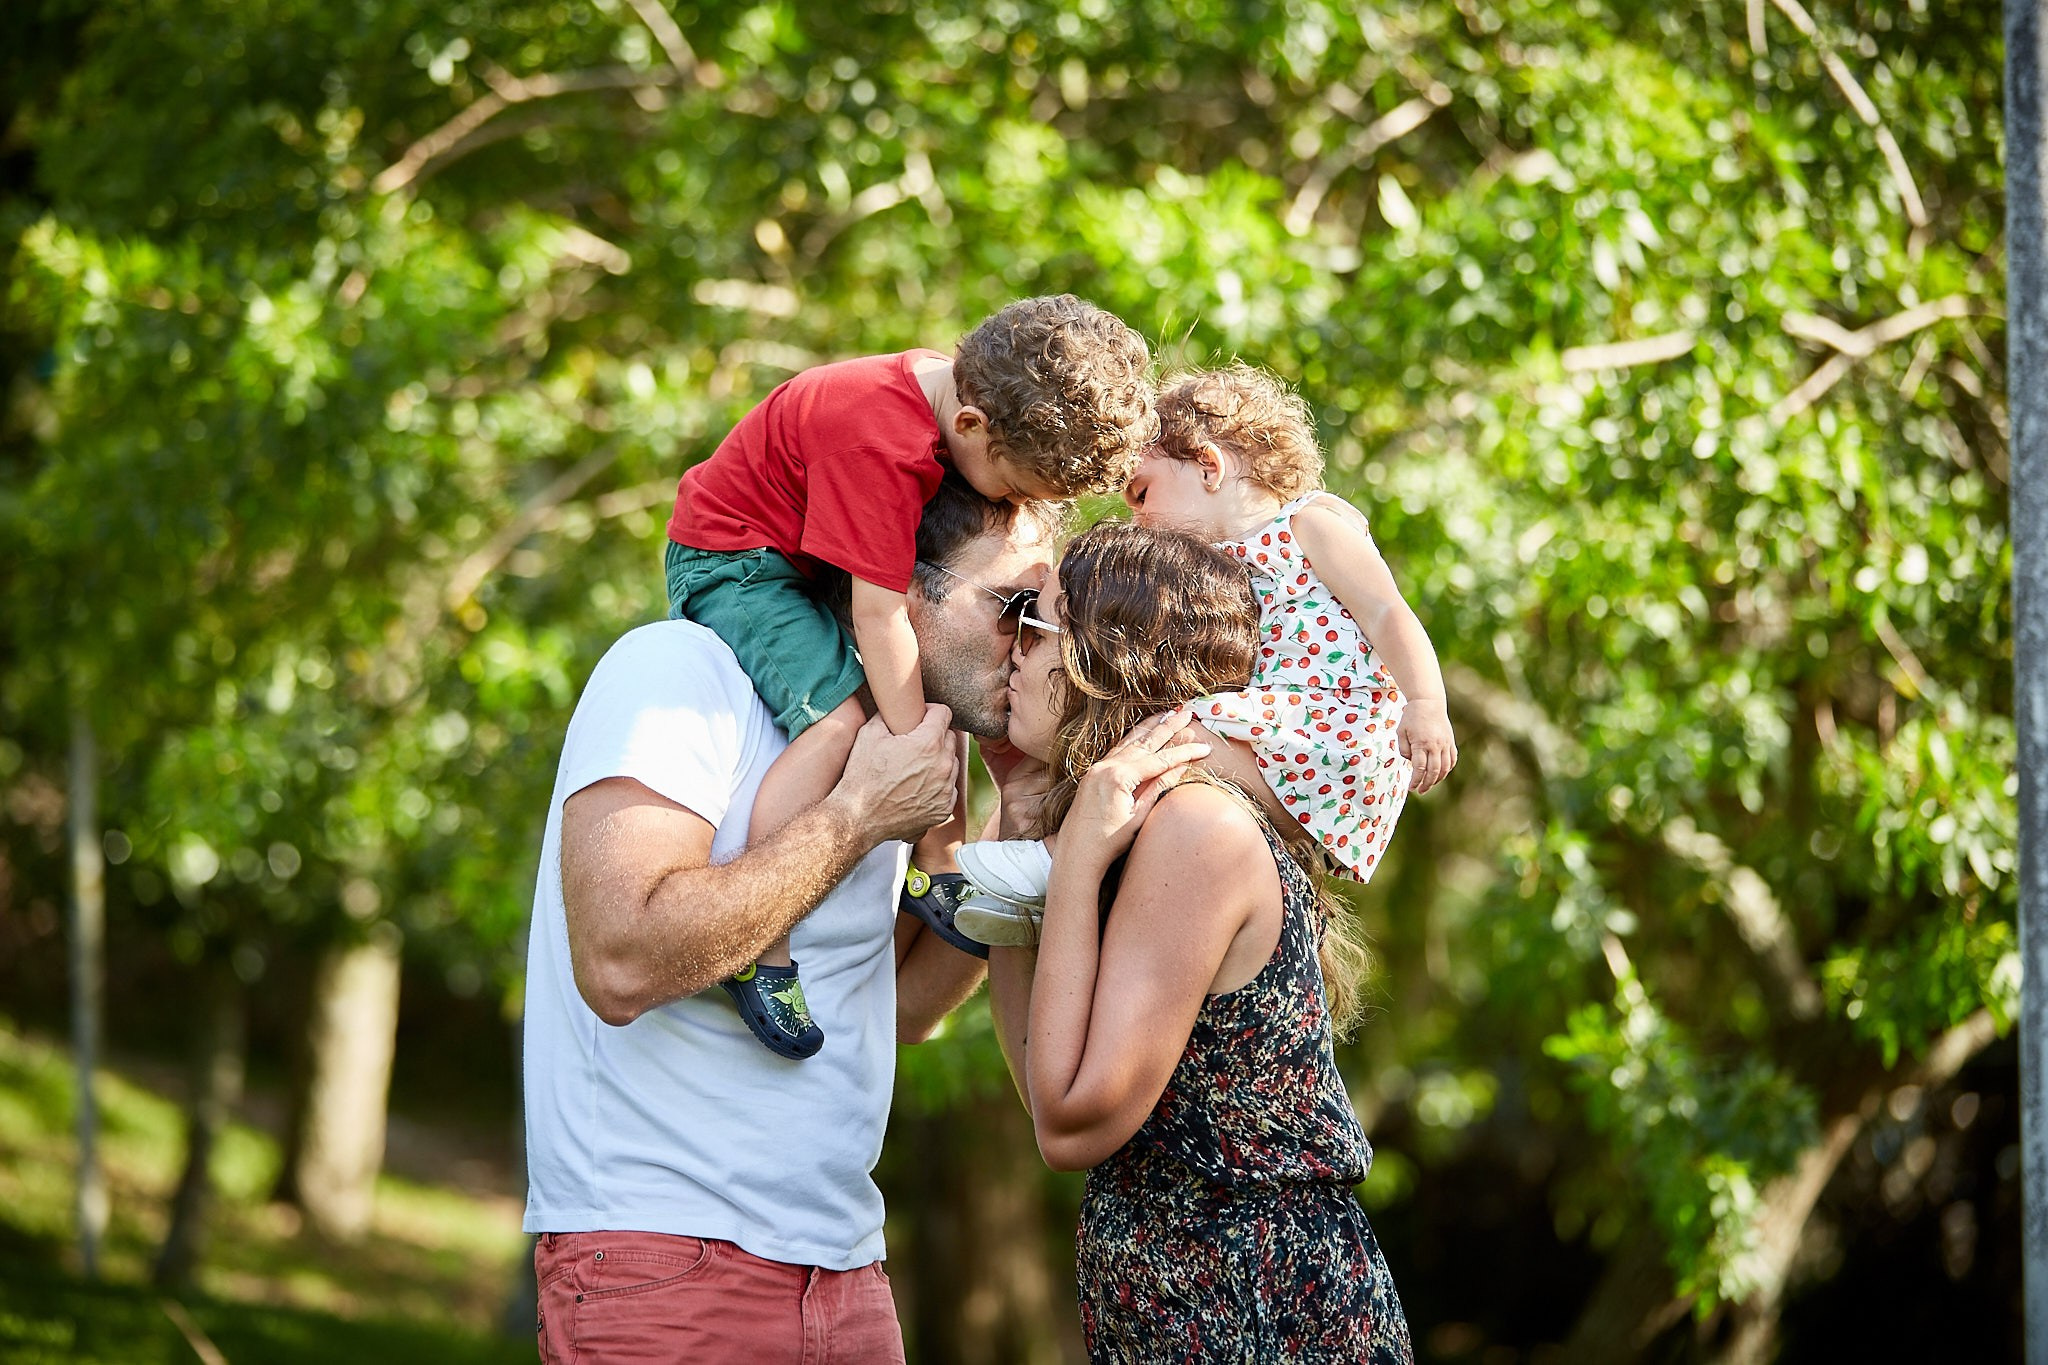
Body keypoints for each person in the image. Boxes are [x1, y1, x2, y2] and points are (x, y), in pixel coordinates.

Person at [523, 478, 1060, 1365]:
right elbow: (618, 960)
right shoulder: (679, 671)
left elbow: (899, 1009)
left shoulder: (913, 739)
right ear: (886, 580)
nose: (1030, 643)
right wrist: (853, 818)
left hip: (847, 1271)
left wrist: (1021, 817)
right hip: (661, 1259)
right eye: (1011, 605)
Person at [663, 294, 1154, 1058]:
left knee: (923, 698)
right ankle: (763, 952)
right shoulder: (880, 448)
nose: (1015, 507)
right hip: (737, 563)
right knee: (846, 721)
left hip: (793, 555)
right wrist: (909, 734)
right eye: (1013, 489)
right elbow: (880, 616)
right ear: (971, 429)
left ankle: (938, 869)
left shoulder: (955, 385)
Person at [982, 521, 1415, 1364]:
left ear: (1104, 660)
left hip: (1257, 1307)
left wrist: (1071, 867)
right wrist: (1026, 822)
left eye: (1035, 622)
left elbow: (1072, 1128)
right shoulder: (1141, 828)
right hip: (1182, 1307)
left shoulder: (1196, 829)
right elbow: (1047, 1083)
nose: (1012, 653)